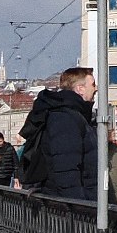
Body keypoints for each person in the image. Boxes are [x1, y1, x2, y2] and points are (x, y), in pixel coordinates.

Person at [20, 67, 100, 202]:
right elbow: (66, 170)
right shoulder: (65, 118)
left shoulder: (74, 115)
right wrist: (80, 206)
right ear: (80, 89)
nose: (96, 88)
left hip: (82, 201)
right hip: (76, 206)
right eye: (93, 84)